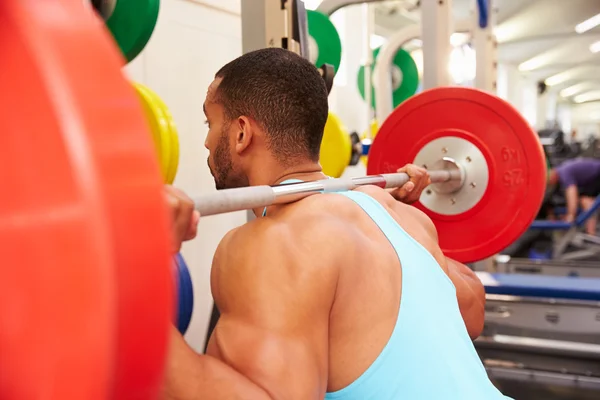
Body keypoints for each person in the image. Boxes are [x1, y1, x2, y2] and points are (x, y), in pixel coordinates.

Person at [161, 48, 503, 400]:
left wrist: (131, 285)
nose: (206, 139)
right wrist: (404, 229)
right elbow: (472, 309)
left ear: (241, 133)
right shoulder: (397, 213)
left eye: (210, 123)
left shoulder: (272, 243)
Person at [549, 157, 600, 235]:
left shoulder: (563, 172)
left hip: (597, 174)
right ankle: (591, 231)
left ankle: (591, 233)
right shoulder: (563, 171)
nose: (550, 184)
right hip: (593, 177)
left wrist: (571, 215)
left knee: (586, 200)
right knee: (586, 200)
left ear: (552, 173)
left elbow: (571, 192)